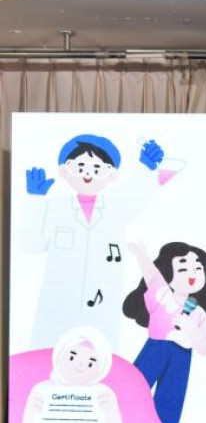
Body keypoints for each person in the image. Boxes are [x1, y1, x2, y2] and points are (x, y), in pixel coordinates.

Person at [21, 134, 171, 349]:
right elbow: (29, 245)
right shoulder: (55, 208)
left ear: (112, 175)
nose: (88, 174)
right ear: (64, 170)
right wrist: (34, 201)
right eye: (79, 166)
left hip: (101, 304)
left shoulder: (115, 207)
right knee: (47, 353)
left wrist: (145, 167)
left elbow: (134, 196)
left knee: (99, 355)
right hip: (58, 303)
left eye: (98, 168)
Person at [122, 241, 206, 423]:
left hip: (182, 354)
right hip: (157, 347)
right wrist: (142, 255)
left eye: (198, 268)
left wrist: (191, 330)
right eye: (183, 269)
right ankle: (124, 417)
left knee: (171, 395)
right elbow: (152, 275)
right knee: (137, 385)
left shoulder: (200, 313)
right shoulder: (163, 295)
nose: (191, 274)